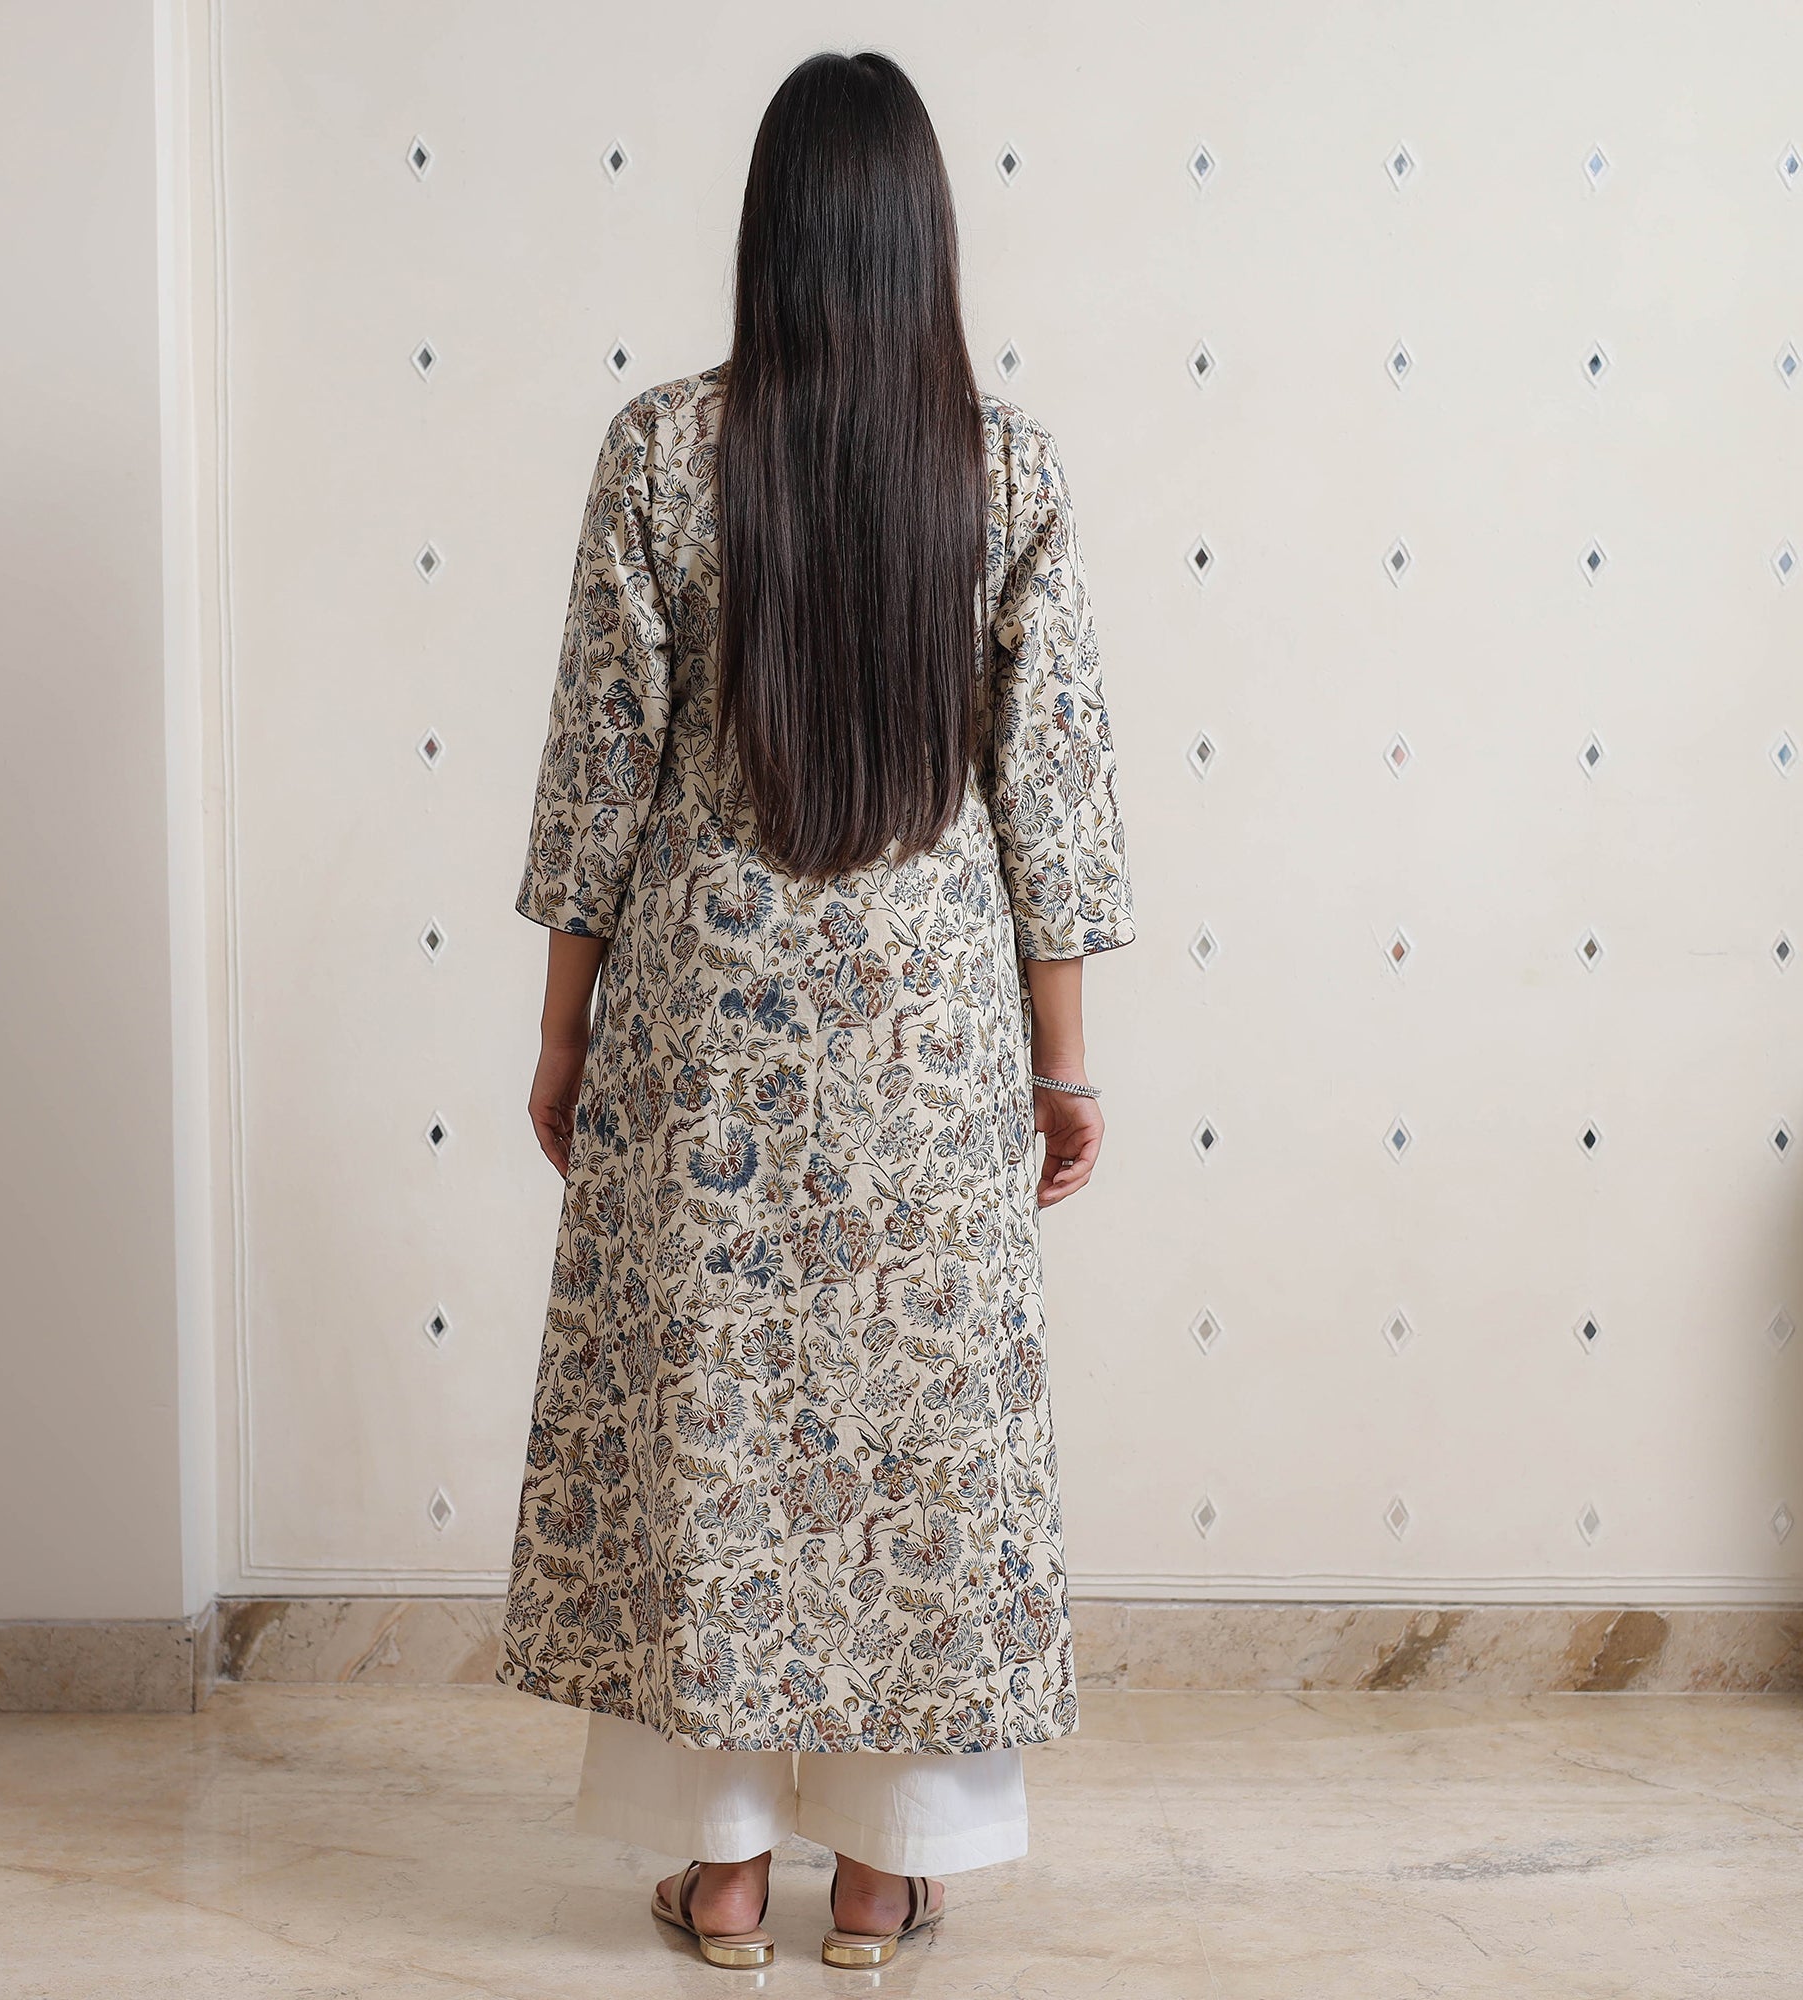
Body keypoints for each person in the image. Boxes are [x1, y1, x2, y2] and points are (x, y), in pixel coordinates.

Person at [497, 47, 1137, 1972]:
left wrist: (564, 1033)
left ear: (768, 231)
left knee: (713, 1432)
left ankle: (718, 1877)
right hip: (927, 1042)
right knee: (913, 1446)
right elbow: (1052, 799)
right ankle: (877, 1877)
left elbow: (596, 774)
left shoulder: (660, 453)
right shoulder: (1005, 469)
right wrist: (1065, 1067)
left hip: (703, 1031)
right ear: (924, 239)